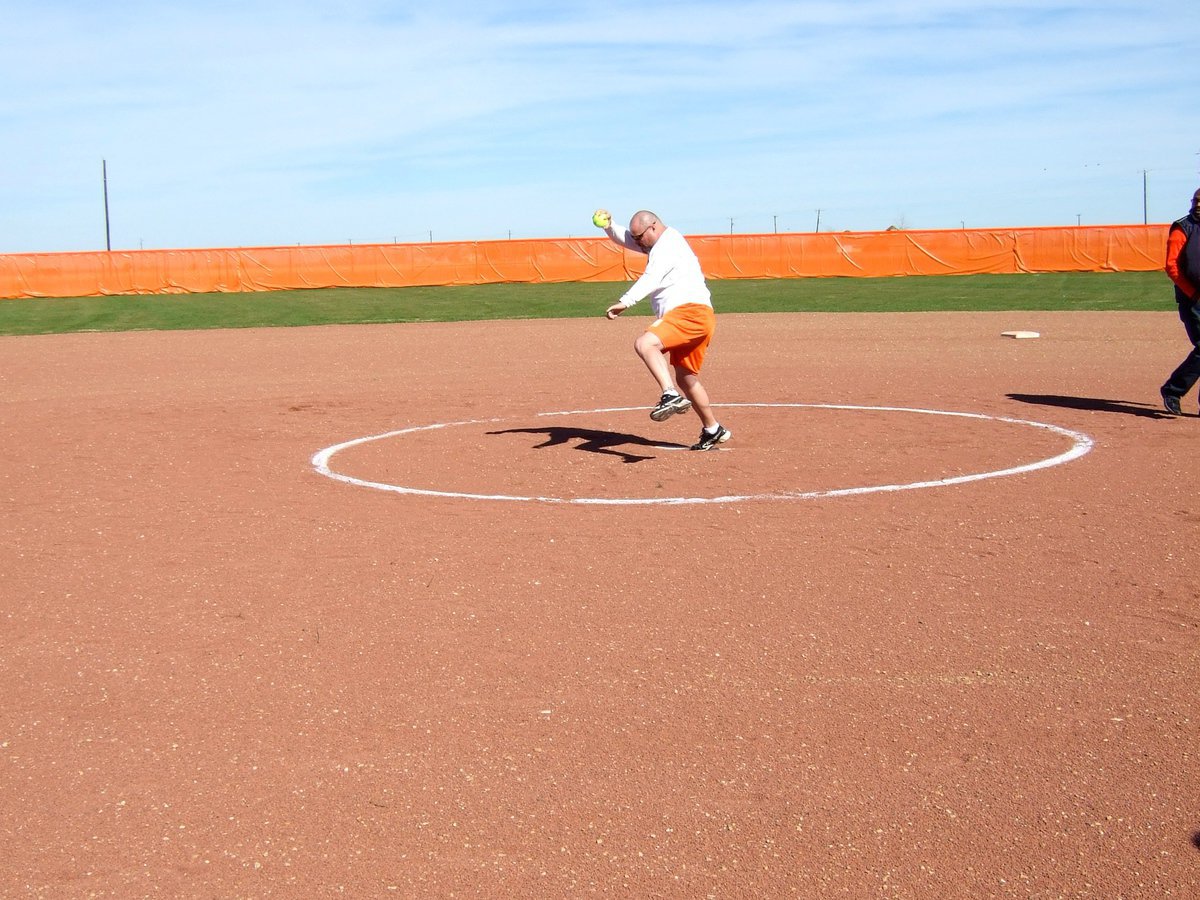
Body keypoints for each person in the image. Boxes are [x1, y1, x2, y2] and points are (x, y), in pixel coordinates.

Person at [594, 209, 730, 451]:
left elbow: (651, 277)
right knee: (687, 378)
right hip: (699, 316)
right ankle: (713, 429)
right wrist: (609, 225)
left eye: (639, 238)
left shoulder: (667, 245)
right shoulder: (656, 242)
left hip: (689, 313)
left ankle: (669, 395)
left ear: (653, 227)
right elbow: (625, 238)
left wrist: (626, 301)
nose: (636, 243)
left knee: (645, 344)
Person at [1161, 187, 1200, 416]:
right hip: (1192, 300)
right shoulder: (1182, 228)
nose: (1198, 205)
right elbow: (1171, 266)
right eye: (1196, 200)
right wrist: (1192, 293)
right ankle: (1173, 391)